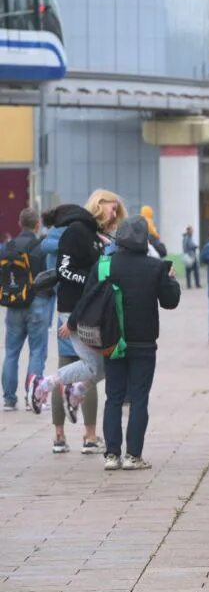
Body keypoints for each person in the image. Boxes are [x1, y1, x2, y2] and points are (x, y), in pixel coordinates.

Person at [79, 216, 181, 470]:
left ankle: (111, 455)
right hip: (144, 342)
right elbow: (170, 302)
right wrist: (172, 280)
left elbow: (87, 298)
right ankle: (133, 456)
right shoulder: (155, 267)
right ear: (144, 239)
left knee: (113, 396)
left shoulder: (104, 265)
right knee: (138, 399)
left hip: (112, 341)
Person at [30, 190, 126, 454]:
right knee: (95, 365)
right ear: (99, 203)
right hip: (74, 310)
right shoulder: (77, 231)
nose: (114, 213)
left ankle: (74, 389)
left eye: (117, 210)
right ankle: (44, 385)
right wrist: (94, 283)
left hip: (89, 309)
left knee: (105, 363)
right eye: (112, 207)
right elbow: (64, 269)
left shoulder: (94, 234)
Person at [2, 209, 51, 411]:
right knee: (37, 351)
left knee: (11, 352)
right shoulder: (40, 247)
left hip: (14, 304)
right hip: (37, 302)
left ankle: (8, 399)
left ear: (19, 222)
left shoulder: (7, 247)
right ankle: (33, 397)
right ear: (37, 224)